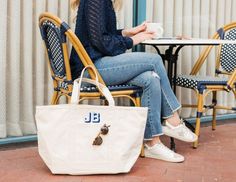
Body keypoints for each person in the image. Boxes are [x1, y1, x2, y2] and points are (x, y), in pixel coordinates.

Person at [70, 0, 197, 163]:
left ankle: (153, 144)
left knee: (151, 78)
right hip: (89, 69)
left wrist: (131, 32)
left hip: (95, 64)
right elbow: (102, 42)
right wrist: (135, 39)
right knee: (155, 60)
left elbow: (103, 34)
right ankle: (173, 120)